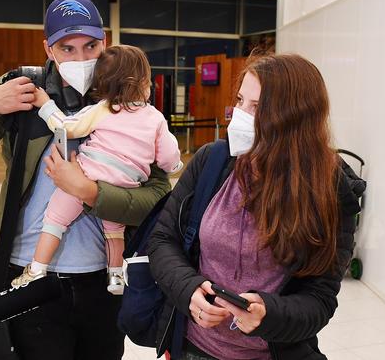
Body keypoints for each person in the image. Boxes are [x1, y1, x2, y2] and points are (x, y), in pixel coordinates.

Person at [0, 0, 171, 359]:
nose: (81, 59)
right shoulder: (23, 89)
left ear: (105, 42)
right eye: (67, 48)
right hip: (31, 277)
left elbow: (157, 195)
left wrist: (90, 192)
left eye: (91, 46)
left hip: (103, 280)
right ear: (47, 47)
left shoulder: (129, 99)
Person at [147, 54, 363, 359]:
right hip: (193, 347)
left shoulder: (329, 189)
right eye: (239, 101)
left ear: (295, 118)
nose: (240, 116)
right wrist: (190, 290)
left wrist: (269, 314)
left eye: (257, 107)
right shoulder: (212, 162)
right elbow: (162, 241)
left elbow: (320, 299)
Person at [10, 45, 182, 295]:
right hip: (124, 187)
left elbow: (66, 127)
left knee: (55, 220)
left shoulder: (103, 108)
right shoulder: (155, 117)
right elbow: (168, 157)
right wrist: (175, 165)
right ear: (143, 83)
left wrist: (45, 104)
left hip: (87, 175)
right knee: (114, 232)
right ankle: (115, 277)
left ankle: (37, 268)